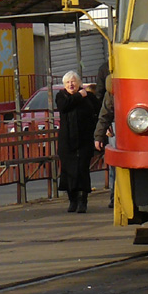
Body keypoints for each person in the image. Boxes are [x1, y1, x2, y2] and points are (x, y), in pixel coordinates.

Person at [56, 71, 99, 213]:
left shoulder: (89, 97)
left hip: (84, 140)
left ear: (79, 83)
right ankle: (72, 200)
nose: (71, 84)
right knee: (68, 171)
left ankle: (82, 201)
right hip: (67, 142)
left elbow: (97, 111)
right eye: (68, 82)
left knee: (82, 170)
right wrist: (79, 96)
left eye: (73, 82)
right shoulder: (61, 96)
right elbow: (64, 107)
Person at [94, 74, 116, 209]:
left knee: (115, 165)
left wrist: (99, 137)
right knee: (115, 165)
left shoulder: (111, 84)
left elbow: (105, 114)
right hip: (118, 128)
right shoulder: (111, 87)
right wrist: (99, 136)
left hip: (118, 127)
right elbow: (105, 114)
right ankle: (115, 196)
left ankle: (115, 197)